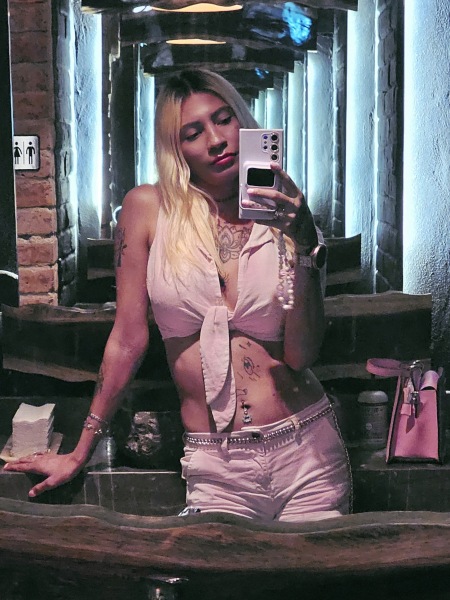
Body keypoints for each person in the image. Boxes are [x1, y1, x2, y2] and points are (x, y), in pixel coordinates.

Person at [4, 70, 351, 523]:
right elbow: (128, 338)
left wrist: (305, 244)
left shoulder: (287, 214)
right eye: (193, 132)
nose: (216, 140)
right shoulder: (147, 208)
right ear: (176, 148)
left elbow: (301, 354)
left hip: (307, 450)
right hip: (217, 464)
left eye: (223, 119)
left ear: (243, 122)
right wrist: (79, 451)